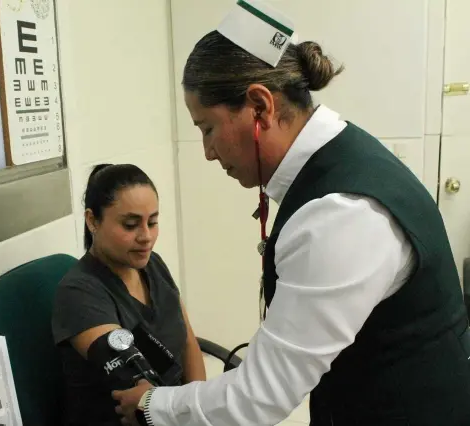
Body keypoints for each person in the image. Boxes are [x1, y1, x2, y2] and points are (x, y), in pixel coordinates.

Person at [112, 1, 470, 425]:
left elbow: (259, 398)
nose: (208, 152)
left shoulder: (341, 215)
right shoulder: (346, 158)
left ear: (260, 106)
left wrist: (153, 406)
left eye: (207, 128)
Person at [52, 163, 206, 426]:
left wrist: (200, 409)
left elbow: (188, 341)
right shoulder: (79, 293)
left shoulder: (153, 264)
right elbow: (133, 388)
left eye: (153, 222)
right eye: (131, 224)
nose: (146, 236)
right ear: (92, 221)